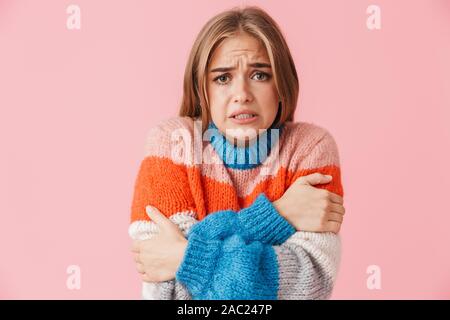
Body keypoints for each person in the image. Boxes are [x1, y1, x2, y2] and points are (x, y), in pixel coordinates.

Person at [129, 5, 345, 300]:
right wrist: (278, 214)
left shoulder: (311, 149)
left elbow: (309, 287)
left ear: (281, 84)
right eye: (222, 78)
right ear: (201, 89)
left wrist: (184, 256)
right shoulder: (172, 143)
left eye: (259, 75)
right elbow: (170, 293)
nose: (242, 93)